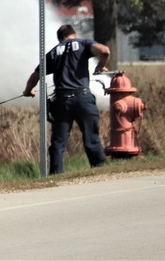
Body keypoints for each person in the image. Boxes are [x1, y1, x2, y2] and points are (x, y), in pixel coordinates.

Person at [23, 23, 111, 174]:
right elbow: (104, 51)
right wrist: (101, 66)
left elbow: (35, 75)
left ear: (60, 39)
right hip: (83, 98)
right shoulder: (83, 43)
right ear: (74, 34)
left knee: (58, 142)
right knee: (91, 137)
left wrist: (28, 90)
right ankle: (99, 170)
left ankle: (56, 174)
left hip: (62, 102)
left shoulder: (54, 52)